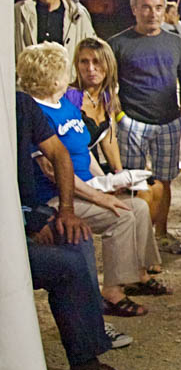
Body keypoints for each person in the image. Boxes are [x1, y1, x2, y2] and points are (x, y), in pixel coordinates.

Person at [15, 91, 145, 370]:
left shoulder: (18, 104)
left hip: (24, 218)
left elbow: (58, 154)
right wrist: (24, 222)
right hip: (11, 230)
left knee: (75, 242)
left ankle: (85, 366)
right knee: (20, 297)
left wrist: (66, 211)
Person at [18, 42, 168, 317]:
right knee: (122, 215)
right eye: (67, 70)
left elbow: (84, 153)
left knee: (138, 207)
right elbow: (53, 172)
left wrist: (110, 182)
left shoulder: (64, 104)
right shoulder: (34, 113)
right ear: (53, 77)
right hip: (58, 196)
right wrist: (99, 196)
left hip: (86, 188)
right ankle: (112, 292)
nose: (72, 75)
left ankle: (138, 274)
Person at [110, 0, 181, 255]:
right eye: (145, 7)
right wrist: (120, 116)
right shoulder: (118, 44)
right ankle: (136, 237)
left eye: (158, 7)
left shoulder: (174, 42)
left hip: (168, 122)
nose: (153, 13)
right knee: (133, 182)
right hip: (132, 123)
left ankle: (161, 234)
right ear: (134, 9)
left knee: (164, 180)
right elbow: (108, 86)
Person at [66, 37, 124, 173]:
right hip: (72, 169)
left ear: (108, 64)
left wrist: (120, 175)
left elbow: (109, 141)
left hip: (92, 167)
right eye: (84, 61)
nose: (91, 68)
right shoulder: (68, 97)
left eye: (97, 61)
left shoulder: (107, 96)